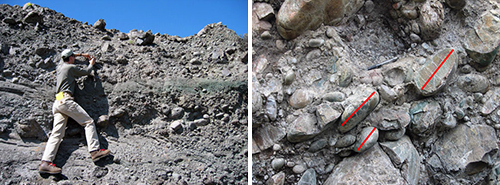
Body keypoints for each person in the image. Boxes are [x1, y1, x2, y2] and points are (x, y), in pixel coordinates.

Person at [38, 49, 111, 174]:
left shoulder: (61, 67)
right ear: (71, 58)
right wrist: (91, 63)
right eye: (74, 57)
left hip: (58, 103)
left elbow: (68, 56)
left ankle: (45, 162)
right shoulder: (70, 68)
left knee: (57, 134)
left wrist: (81, 55)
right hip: (66, 101)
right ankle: (95, 151)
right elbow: (87, 72)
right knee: (88, 122)